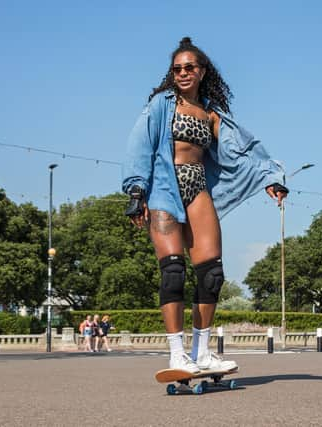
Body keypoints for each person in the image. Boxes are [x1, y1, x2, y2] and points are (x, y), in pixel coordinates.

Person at [122, 37, 288, 373]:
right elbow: (139, 145)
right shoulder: (160, 105)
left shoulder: (212, 113)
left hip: (198, 189)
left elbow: (243, 150)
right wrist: (136, 192)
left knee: (211, 274)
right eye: (177, 68)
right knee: (172, 270)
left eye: (189, 67)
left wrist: (271, 176)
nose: (183, 73)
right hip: (164, 190)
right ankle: (176, 354)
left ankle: (201, 353)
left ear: (201, 71)